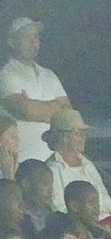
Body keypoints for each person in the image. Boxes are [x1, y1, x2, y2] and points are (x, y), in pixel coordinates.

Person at [0, 18, 69, 162]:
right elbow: (28, 111)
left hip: (52, 164)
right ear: (12, 42)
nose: (34, 42)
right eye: (27, 37)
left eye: (36, 36)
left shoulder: (49, 75)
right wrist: (56, 106)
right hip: (19, 165)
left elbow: (68, 113)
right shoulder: (5, 74)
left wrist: (39, 109)